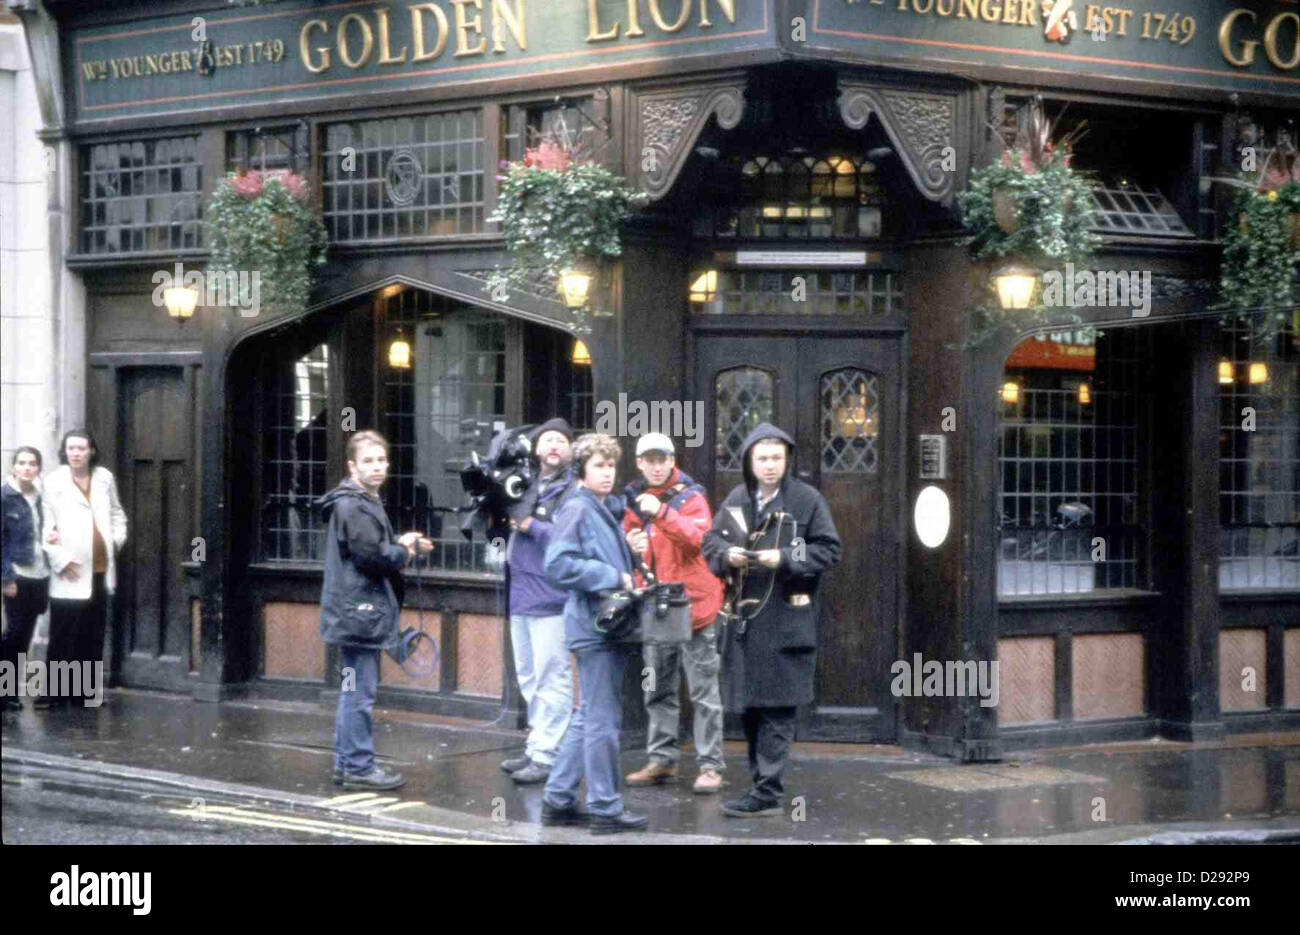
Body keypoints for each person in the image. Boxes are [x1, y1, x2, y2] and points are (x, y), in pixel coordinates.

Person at [702, 422, 841, 818]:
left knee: (779, 708)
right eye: (762, 458)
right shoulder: (736, 499)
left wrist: (783, 559)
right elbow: (709, 542)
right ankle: (760, 785)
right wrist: (726, 554)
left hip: (786, 620)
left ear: (786, 461)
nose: (769, 465)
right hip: (745, 625)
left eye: (777, 458)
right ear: (749, 461)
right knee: (750, 707)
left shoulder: (807, 500)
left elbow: (829, 550)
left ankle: (767, 793)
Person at [539, 433, 647, 835]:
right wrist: (615, 574)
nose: (607, 473)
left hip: (599, 626)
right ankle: (604, 807)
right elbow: (558, 564)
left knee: (587, 717)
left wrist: (629, 553)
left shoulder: (598, 509)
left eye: (611, 465)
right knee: (602, 720)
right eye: (599, 465)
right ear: (582, 470)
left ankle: (558, 799)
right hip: (594, 628)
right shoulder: (578, 508)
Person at [318, 430, 432, 790]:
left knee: (352, 691)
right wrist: (405, 552)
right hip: (359, 614)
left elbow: (371, 549)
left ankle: (346, 764)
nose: (378, 467)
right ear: (352, 466)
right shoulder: (353, 504)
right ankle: (358, 767)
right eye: (368, 461)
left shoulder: (360, 500)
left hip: (354, 613)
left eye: (381, 460)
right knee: (359, 693)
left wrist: (400, 544)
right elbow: (372, 557)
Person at [621, 433, 726, 794]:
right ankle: (661, 760)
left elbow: (697, 540)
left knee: (703, 692)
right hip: (657, 608)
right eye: (648, 459)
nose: (655, 465)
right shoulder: (633, 498)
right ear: (639, 463)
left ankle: (710, 766)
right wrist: (631, 546)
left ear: (672, 460)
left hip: (695, 608)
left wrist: (661, 513)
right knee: (656, 688)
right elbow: (629, 547)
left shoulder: (691, 497)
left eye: (661, 458)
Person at [500, 418, 578, 785]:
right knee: (529, 677)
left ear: (571, 451)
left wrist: (530, 525)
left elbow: (568, 540)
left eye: (561, 441)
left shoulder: (573, 491)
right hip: (520, 595)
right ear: (536, 449)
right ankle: (537, 746)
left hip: (551, 597)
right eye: (548, 439)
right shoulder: (524, 486)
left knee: (553, 678)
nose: (554, 446)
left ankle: (550, 755)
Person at [41, 430, 127, 709]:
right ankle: (54, 694)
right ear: (64, 452)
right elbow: (46, 525)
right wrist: (61, 560)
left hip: (99, 569)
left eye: (81, 448)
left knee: (92, 632)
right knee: (62, 633)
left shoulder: (104, 478)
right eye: (71, 448)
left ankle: (86, 693)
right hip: (70, 570)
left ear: (91, 451)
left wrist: (115, 538)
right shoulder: (52, 482)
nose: (76, 453)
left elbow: (116, 513)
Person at [2, 447, 51, 711]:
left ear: (38, 468)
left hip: (40, 574)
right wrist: (6, 577)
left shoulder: (41, 497)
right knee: (14, 633)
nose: (27, 468)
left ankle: (9, 694)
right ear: (14, 467)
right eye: (21, 463)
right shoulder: (5, 497)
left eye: (32, 463)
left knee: (25, 635)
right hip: (17, 575)